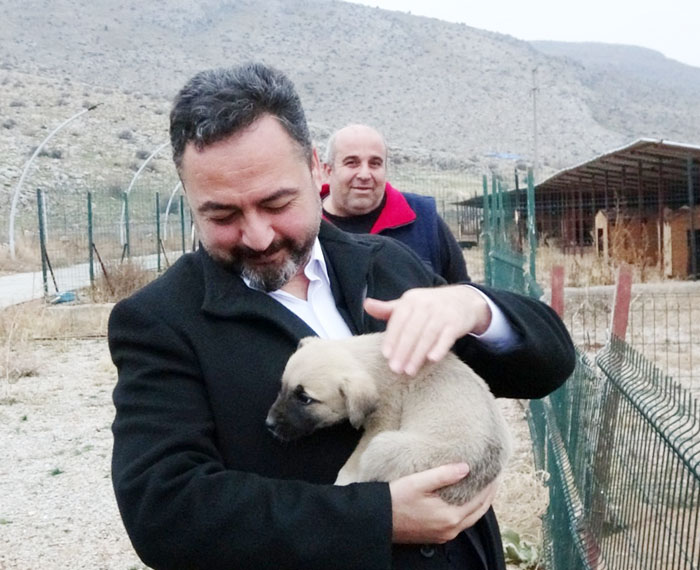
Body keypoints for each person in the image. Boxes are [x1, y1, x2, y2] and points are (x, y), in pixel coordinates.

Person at [108, 62, 575, 570]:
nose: (258, 236)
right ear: (190, 198)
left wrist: (475, 307)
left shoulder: (387, 263)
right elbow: (165, 511)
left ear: (316, 170)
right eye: (222, 215)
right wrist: (376, 518)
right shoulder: (159, 321)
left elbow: (547, 367)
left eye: (277, 202)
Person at [321, 124, 469, 282]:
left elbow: (462, 292)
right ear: (328, 171)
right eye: (352, 163)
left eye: (375, 163)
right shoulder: (306, 228)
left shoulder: (423, 219)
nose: (364, 174)